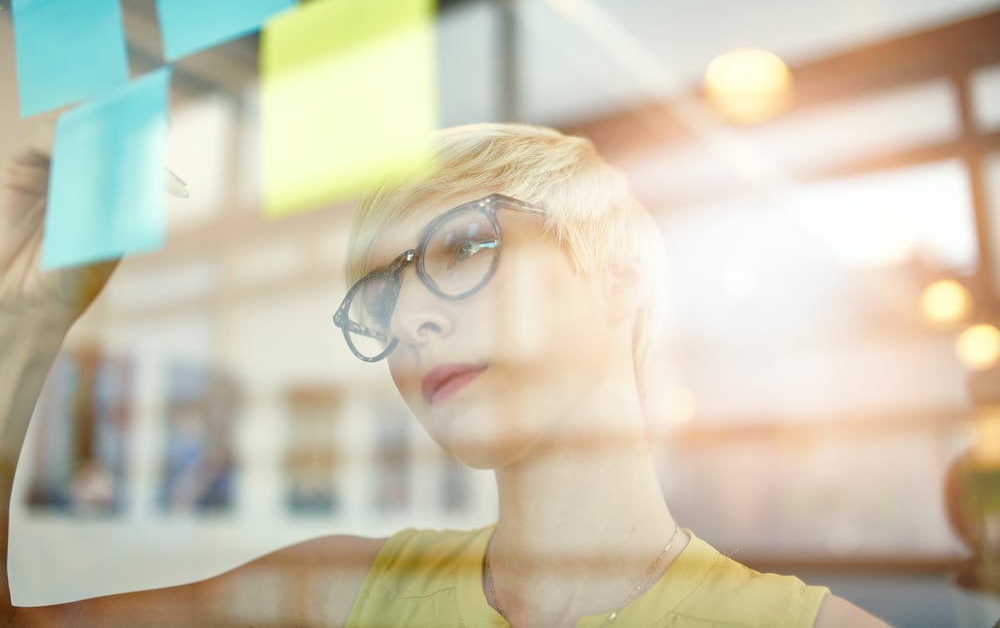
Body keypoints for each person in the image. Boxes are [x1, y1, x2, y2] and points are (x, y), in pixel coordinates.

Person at [0, 121, 889, 626]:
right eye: (378, 301)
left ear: (617, 275)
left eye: (463, 246)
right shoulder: (343, 593)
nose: (409, 320)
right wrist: (24, 331)